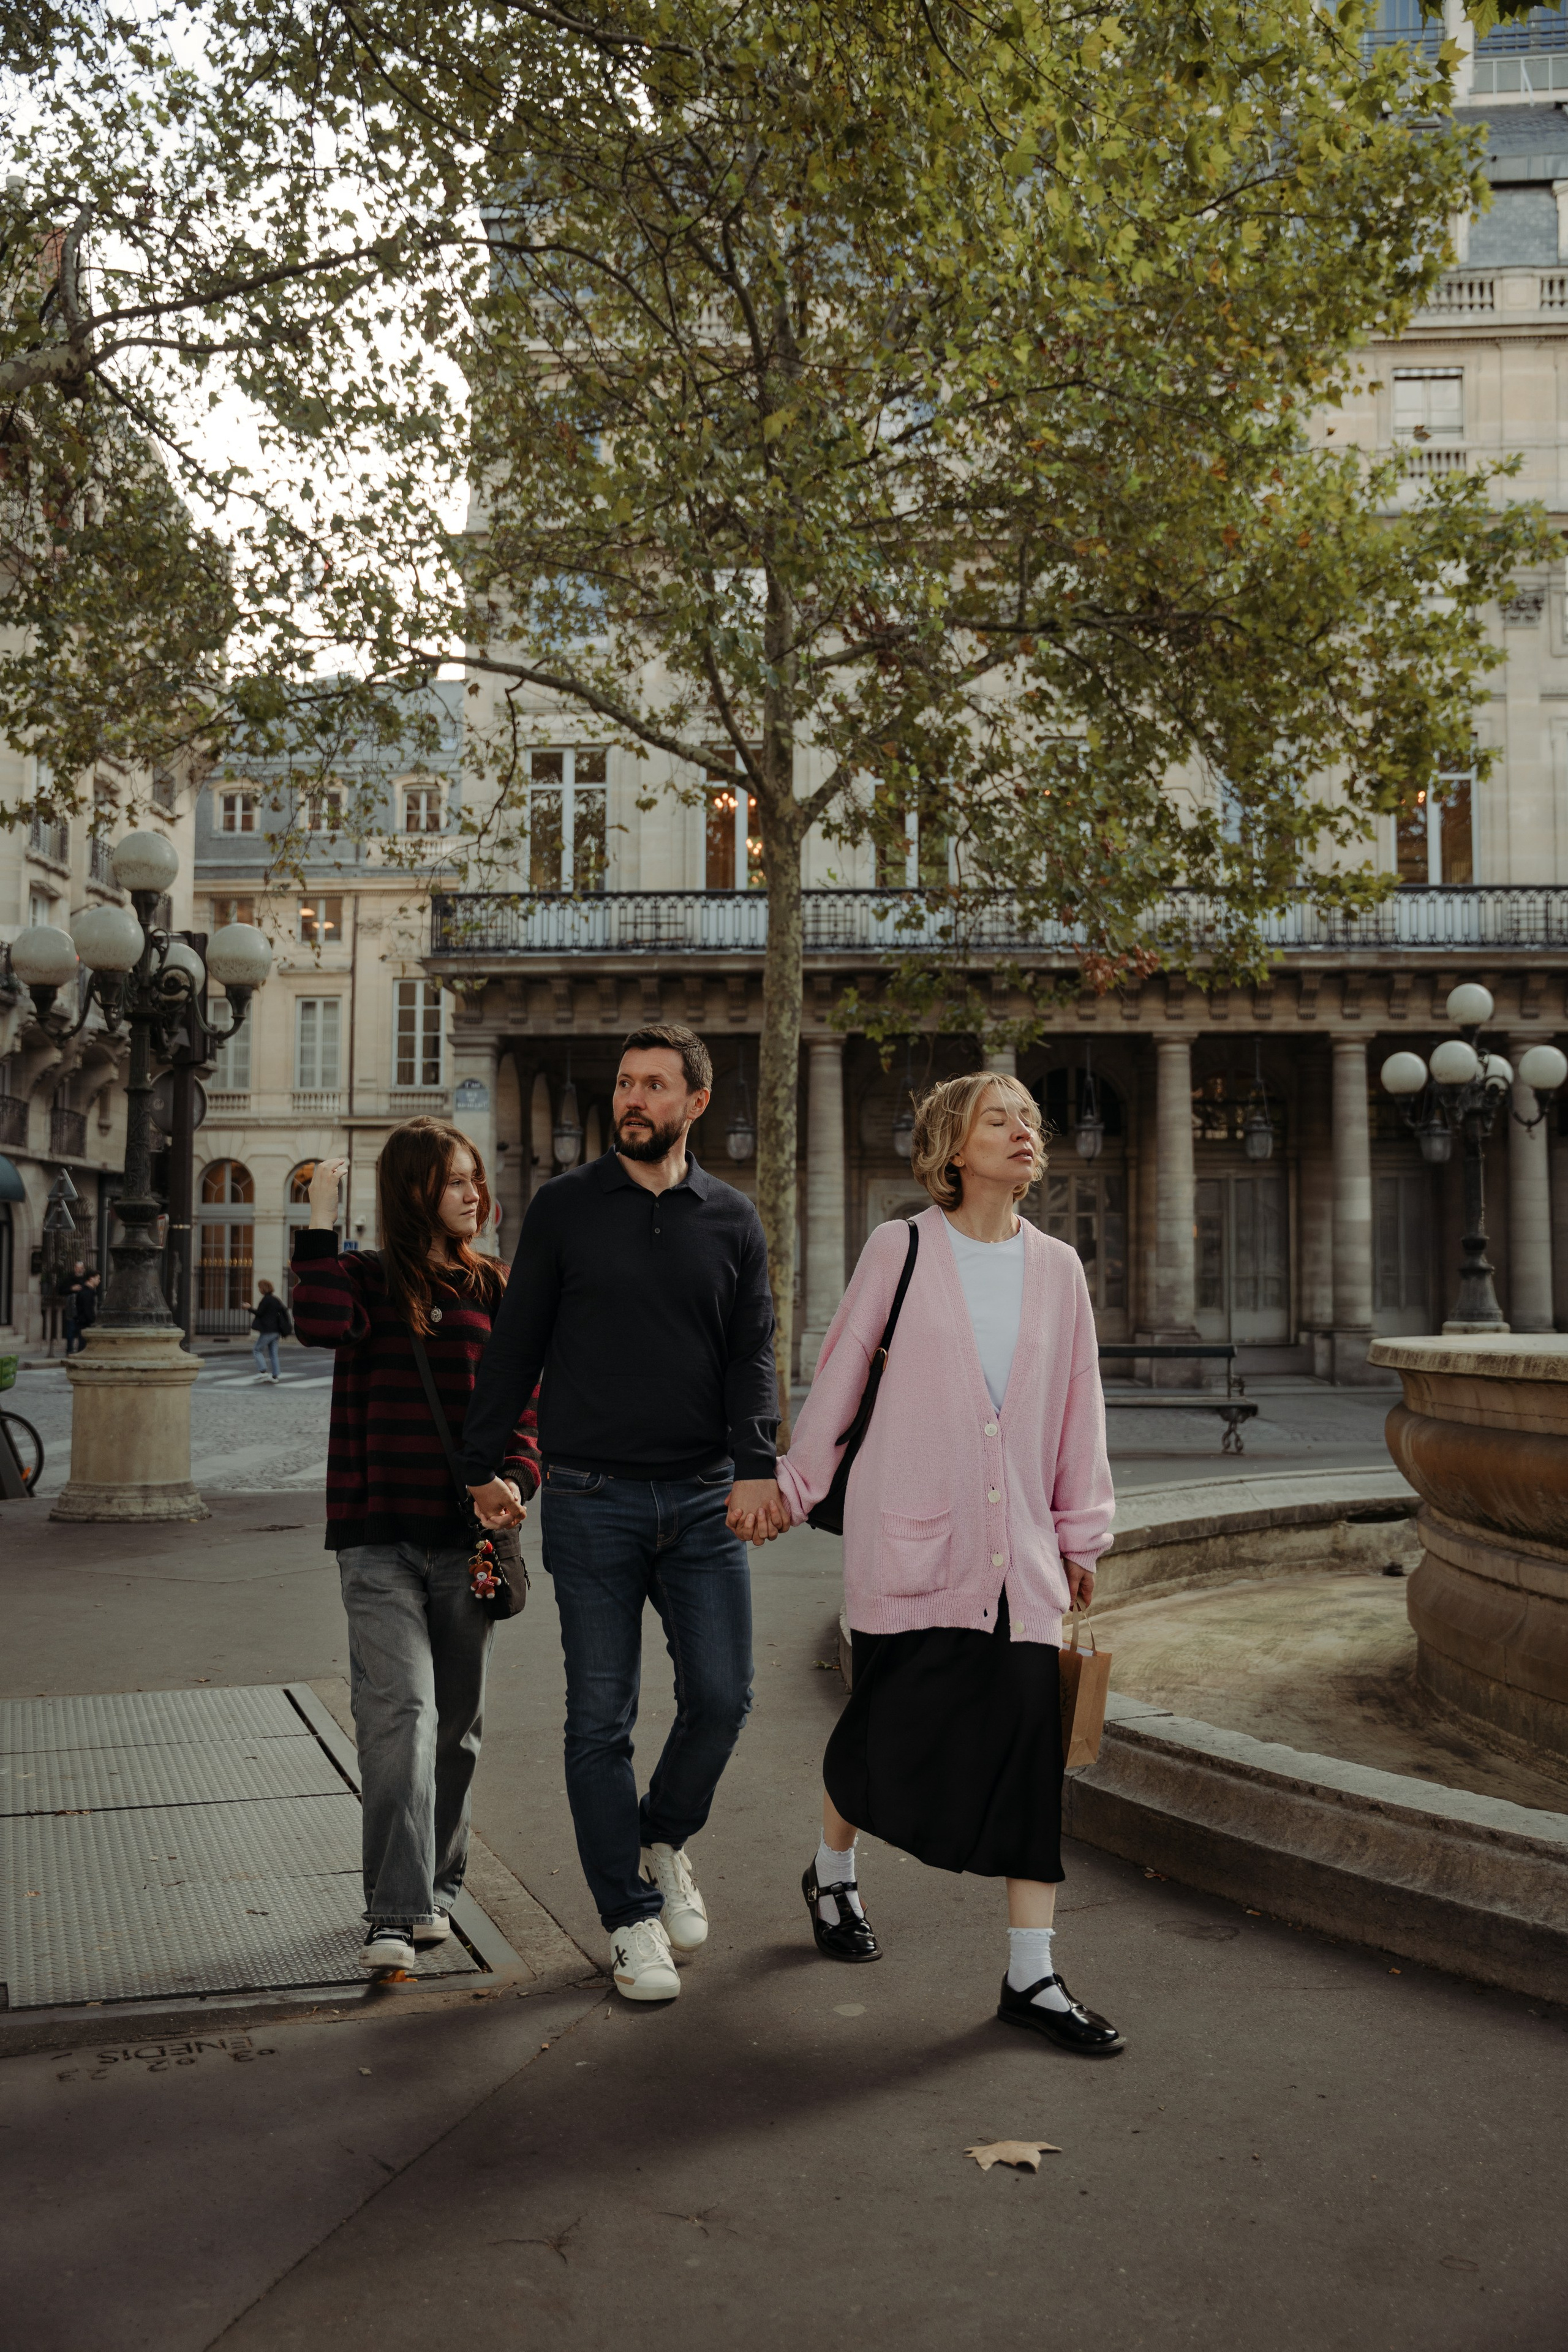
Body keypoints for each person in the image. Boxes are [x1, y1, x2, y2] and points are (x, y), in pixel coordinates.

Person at [774, 1071, 1124, 2056]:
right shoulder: (904, 1246)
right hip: (913, 1540)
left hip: (1018, 1564)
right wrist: (792, 1489)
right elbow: (842, 1369)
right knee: (881, 1738)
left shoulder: (1059, 1267)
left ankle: (1033, 1973)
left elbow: (1076, 1411)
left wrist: (1077, 1535)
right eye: (1000, 1118)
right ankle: (832, 1873)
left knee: (1028, 1760)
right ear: (951, 1147)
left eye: (1032, 1118)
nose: (1025, 1131)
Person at [460, 1022, 788, 2004]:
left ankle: (663, 1835)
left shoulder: (734, 1218)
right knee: (598, 1721)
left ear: (695, 1103)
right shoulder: (564, 1209)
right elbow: (515, 1346)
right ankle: (628, 1919)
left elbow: (752, 1355)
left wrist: (758, 1463)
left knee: (724, 1697)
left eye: (655, 1085)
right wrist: (483, 1467)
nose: (633, 1099)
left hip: (700, 1500)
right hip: (593, 1502)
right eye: (624, 1084)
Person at [289, 1119, 540, 1974]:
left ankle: (438, 1888)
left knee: (458, 1731)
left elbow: (528, 1411)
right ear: (414, 1192)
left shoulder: (494, 1289)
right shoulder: (361, 1280)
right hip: (379, 1541)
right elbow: (316, 1322)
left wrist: (517, 1479)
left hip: (467, 1544)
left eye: (475, 1179)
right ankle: (393, 1915)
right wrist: (320, 1211)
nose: (476, 1193)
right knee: (402, 1719)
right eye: (457, 1181)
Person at [250, 1277, 291, 1381]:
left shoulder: (266, 1300)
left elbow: (260, 1313)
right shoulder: (276, 1300)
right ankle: (275, 1376)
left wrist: (249, 1308)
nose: (259, 1289)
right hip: (277, 1331)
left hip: (268, 1330)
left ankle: (263, 1371)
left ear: (263, 1288)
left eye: (259, 1287)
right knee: (273, 1354)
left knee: (257, 1350)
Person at [60, 1259, 86, 1354]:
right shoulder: (69, 1279)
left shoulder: (86, 1280)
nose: (78, 1270)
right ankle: (70, 1349)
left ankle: (81, 1350)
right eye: (77, 1268)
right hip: (71, 1309)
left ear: (83, 1269)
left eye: (80, 1268)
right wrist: (72, 1288)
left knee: (81, 1332)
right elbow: (61, 1290)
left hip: (82, 1310)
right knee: (70, 1331)